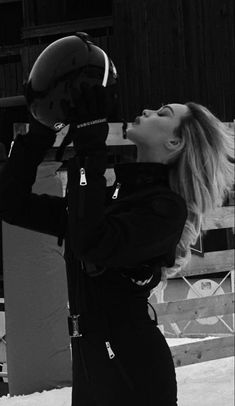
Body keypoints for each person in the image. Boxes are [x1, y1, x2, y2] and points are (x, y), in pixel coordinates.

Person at [0, 40, 234, 406]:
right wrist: (40, 134)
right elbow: (11, 205)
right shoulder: (114, 197)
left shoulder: (164, 210)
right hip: (93, 365)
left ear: (175, 142)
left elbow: (92, 242)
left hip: (132, 373)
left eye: (162, 113)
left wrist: (92, 148)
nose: (146, 110)